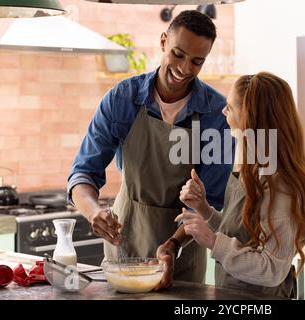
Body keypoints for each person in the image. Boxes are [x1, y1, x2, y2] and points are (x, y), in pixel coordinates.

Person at [67, 10, 233, 285]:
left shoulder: (216, 114)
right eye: (178, 54)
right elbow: (83, 172)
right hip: (124, 243)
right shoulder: (122, 99)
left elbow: (211, 200)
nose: (184, 68)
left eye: (197, 62)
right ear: (163, 41)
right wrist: (94, 212)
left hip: (182, 253)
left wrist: (173, 245)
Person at [173, 72, 305, 298]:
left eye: (230, 108)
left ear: (251, 120)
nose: (223, 112)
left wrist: (213, 242)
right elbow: (243, 235)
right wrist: (204, 209)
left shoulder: (281, 186)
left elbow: (272, 268)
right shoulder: (251, 166)